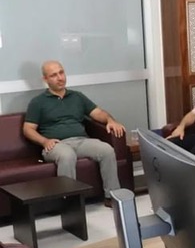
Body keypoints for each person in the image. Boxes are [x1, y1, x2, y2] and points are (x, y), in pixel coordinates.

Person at [23, 61, 126, 208]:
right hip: (56, 145)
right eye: (54, 75)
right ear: (45, 79)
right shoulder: (38, 102)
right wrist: (45, 141)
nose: (60, 78)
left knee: (107, 150)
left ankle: (112, 197)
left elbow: (98, 113)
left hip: (81, 141)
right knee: (67, 155)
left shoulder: (77, 96)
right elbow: (28, 129)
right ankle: (70, 205)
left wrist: (111, 120)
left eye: (61, 72)